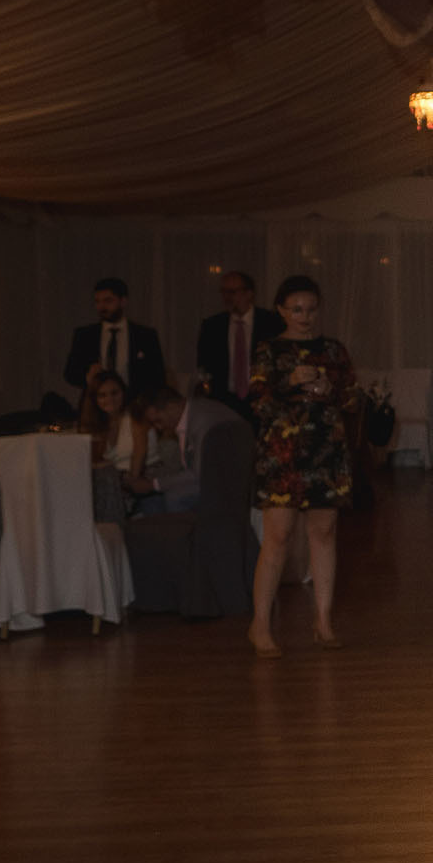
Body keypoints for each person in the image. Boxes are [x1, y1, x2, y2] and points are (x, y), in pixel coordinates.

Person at [245, 276, 359, 659]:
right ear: (281, 310)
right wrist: (289, 383)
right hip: (283, 454)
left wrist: (331, 390)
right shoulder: (269, 350)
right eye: (296, 309)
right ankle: (260, 624)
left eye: (311, 309)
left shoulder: (333, 350)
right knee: (277, 537)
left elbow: (353, 398)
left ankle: (323, 621)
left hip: (326, 452)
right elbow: (258, 403)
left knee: (324, 532)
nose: (305, 316)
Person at [125, 386, 227, 516]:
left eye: (158, 420)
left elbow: (198, 473)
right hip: (209, 477)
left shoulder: (201, 421)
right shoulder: (190, 416)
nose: (159, 428)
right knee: (152, 499)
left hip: (221, 482)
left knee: (174, 497)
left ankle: (180, 529)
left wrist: (153, 484)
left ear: (171, 407)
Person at [63, 278, 166, 403]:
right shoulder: (85, 335)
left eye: (108, 301)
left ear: (123, 301)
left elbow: (158, 375)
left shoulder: (145, 335)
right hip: (98, 402)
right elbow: (70, 373)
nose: (102, 307)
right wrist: (88, 377)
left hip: (135, 403)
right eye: (97, 301)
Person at [195, 269, 281, 419]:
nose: (227, 297)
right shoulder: (213, 325)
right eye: (224, 292)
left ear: (249, 294)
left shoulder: (270, 322)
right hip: (224, 401)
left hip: (260, 400)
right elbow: (203, 364)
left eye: (232, 292)